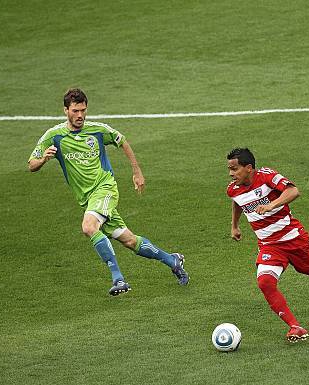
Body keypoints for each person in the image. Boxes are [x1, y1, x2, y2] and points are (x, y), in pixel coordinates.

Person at [28, 88, 189, 296]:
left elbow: (121, 140)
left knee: (89, 226)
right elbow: (31, 164)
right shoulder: (54, 136)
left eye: (83, 110)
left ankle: (118, 279)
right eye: (75, 111)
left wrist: (136, 171)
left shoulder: (97, 130)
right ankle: (172, 260)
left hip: (105, 189)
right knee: (129, 240)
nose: (80, 116)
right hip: (88, 199)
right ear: (65, 110)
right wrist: (44, 159)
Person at [226, 148, 309, 342]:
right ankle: (295, 327)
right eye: (229, 169)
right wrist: (234, 226)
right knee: (265, 283)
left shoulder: (267, 176)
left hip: (294, 240)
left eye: (234, 169)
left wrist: (271, 205)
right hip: (269, 246)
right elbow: (237, 202)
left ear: (249, 168)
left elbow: (293, 191)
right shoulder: (233, 189)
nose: (231, 174)